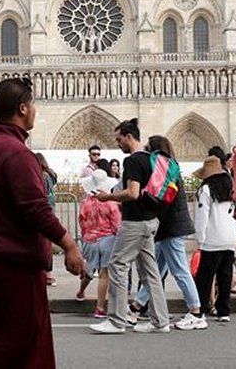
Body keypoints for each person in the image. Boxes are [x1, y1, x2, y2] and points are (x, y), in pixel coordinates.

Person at [0, 77, 85, 369]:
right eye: (33, 104)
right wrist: (69, 244)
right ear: (23, 108)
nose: (35, 110)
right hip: (14, 264)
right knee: (17, 339)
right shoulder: (16, 152)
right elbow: (35, 208)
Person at [89, 119, 171, 335]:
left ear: (128, 136)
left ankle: (116, 321)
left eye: (119, 139)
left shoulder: (133, 161)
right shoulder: (150, 159)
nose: (118, 144)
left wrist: (109, 197)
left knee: (117, 265)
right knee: (150, 273)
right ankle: (161, 321)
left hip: (135, 223)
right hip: (151, 221)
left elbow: (133, 193)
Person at [131, 135, 205, 331]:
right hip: (172, 225)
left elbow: (158, 197)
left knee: (179, 270)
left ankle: (196, 311)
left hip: (170, 226)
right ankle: (136, 307)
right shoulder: (171, 165)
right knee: (156, 271)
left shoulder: (162, 166)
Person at [192, 154, 236, 326]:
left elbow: (202, 217)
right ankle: (224, 310)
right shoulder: (231, 188)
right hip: (230, 238)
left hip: (212, 239)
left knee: (205, 276)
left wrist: (199, 240)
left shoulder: (206, 190)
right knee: (225, 276)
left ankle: (201, 308)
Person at [76, 168, 121, 318]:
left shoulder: (85, 203)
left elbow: (81, 221)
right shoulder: (110, 203)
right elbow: (116, 224)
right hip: (108, 238)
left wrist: (84, 236)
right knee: (104, 274)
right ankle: (100, 308)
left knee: (89, 270)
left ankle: (81, 292)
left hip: (90, 239)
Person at [35, 152, 59, 285]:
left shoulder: (41, 177)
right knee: (47, 244)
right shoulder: (51, 176)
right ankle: (48, 272)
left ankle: (46, 274)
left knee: (41, 244)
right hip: (50, 212)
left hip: (43, 213)